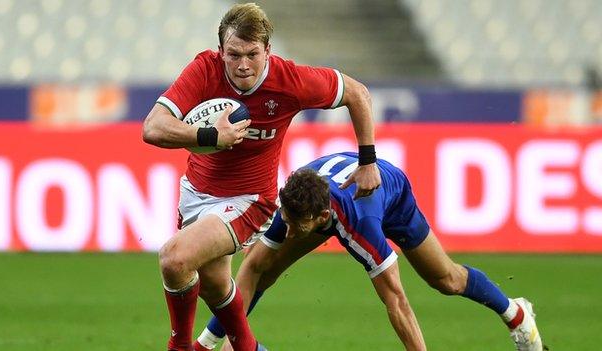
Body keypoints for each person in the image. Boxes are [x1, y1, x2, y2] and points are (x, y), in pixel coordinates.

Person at [142, 3, 381, 351]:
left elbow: (358, 94)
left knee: (175, 259)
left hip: (249, 200)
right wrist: (210, 136)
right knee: (214, 287)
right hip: (196, 192)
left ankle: (180, 347)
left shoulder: (291, 81)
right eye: (233, 54)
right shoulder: (204, 70)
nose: (242, 65)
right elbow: (152, 127)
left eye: (252, 54)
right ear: (220, 50)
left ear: (267, 50)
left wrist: (368, 161)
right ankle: (249, 347)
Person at [194, 152, 545, 351]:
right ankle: (211, 342)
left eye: (292, 220)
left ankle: (516, 314)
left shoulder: (361, 226)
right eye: (284, 214)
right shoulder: (295, 205)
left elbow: (397, 301)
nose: (284, 222)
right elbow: (251, 271)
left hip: (391, 197)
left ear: (321, 218)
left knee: (445, 279)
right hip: (333, 191)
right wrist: (210, 341)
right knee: (260, 267)